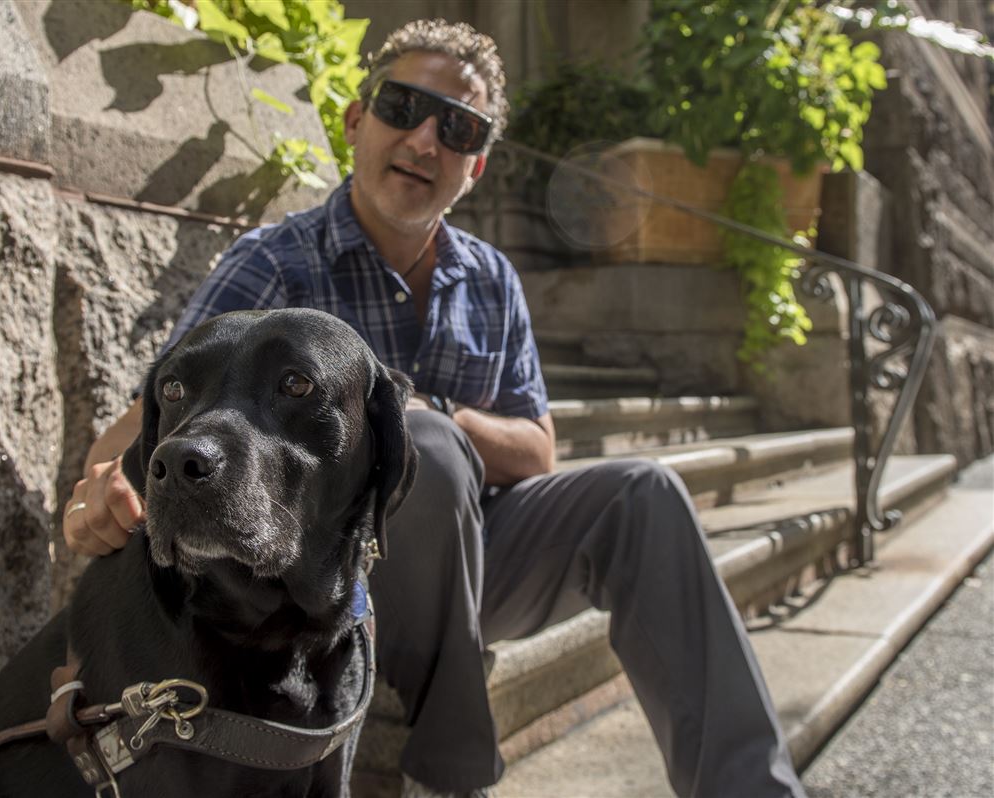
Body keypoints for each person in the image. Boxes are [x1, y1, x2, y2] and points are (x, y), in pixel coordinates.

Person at [62, 18, 806, 798]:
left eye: (458, 128)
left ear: (475, 165)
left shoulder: (491, 279)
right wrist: (103, 494)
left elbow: (538, 449)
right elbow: (144, 427)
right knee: (438, 451)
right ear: (357, 121)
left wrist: (433, 411)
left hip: (473, 554)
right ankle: (450, 776)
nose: (424, 141)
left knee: (643, 495)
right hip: (317, 573)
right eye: (402, 107)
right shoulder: (273, 264)